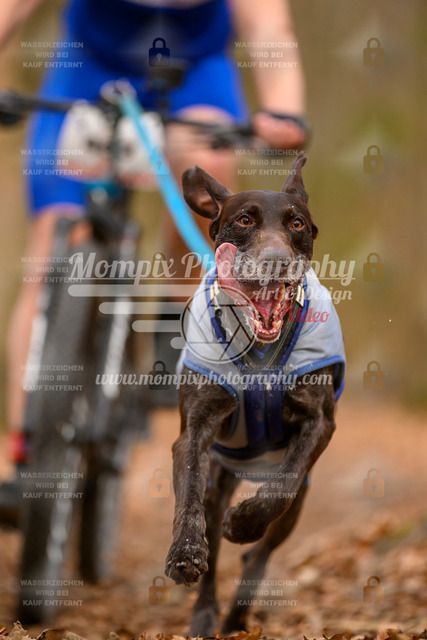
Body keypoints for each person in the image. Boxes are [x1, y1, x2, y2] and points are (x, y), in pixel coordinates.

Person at [0, 0, 308, 524]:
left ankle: (176, 321)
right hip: (88, 70)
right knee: (53, 240)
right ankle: (24, 451)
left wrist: (284, 111)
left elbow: (268, 26)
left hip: (194, 76)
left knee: (208, 161)